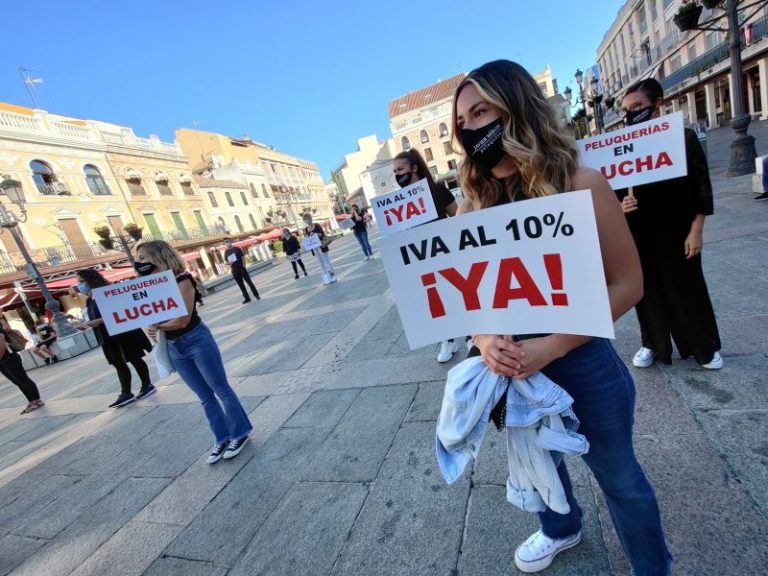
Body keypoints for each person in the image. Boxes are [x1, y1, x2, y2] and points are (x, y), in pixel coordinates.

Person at [452, 60, 670, 575]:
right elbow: (470, 304)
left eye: (481, 111)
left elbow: (628, 285)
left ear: (516, 106)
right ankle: (560, 527)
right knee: (537, 462)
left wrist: (550, 346)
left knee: (620, 480)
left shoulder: (582, 184)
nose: (471, 128)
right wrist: (484, 339)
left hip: (583, 364)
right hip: (508, 371)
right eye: (463, 122)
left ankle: (652, 567)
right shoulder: (468, 212)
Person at [616, 78, 722, 370]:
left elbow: (701, 186)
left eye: (637, 106)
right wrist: (620, 205)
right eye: (627, 109)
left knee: (688, 287)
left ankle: (704, 347)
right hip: (638, 230)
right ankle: (652, 343)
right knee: (646, 290)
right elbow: (613, 190)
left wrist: (696, 230)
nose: (631, 113)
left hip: (677, 228)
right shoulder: (623, 145)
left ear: (658, 103)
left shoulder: (683, 138)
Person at [136, 240, 252, 464]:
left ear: (158, 256)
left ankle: (240, 433)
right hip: (173, 346)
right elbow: (152, 317)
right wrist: (151, 326)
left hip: (195, 339)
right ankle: (222, 437)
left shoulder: (182, 280)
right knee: (204, 396)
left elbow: (181, 320)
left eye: (143, 258)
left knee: (221, 389)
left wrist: (158, 325)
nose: (138, 263)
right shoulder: (150, 288)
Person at [393, 148, 459, 363]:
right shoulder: (399, 201)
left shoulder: (438, 190)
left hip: (446, 252)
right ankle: (447, 339)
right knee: (436, 300)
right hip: (422, 257)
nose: (397, 175)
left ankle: (470, 335)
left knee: (458, 295)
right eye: (395, 171)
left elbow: (459, 219)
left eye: (400, 169)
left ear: (414, 168)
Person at [73, 269, 155, 409]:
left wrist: (98, 321)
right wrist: (85, 325)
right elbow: (94, 319)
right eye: (78, 282)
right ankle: (126, 393)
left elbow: (121, 311)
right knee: (118, 363)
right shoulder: (89, 300)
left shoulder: (107, 293)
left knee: (134, 358)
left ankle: (147, 384)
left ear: (91, 280)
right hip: (107, 337)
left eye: (81, 281)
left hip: (123, 333)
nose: (79, 285)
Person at [0, 318, 44, 414]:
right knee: (18, 382)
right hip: (3, 362)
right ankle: (31, 401)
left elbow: (2, 345)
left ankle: (37, 400)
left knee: (23, 379)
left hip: (9, 358)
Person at [223, 238, 260, 304]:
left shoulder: (237, 249)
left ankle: (256, 295)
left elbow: (243, 257)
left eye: (227, 241)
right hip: (234, 269)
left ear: (230, 241)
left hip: (241, 267)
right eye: (225, 242)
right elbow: (226, 261)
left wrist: (244, 266)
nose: (226, 243)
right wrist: (229, 263)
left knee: (249, 282)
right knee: (241, 285)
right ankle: (247, 298)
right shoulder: (226, 252)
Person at [303, 214, 336, 284]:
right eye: (305, 219)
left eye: (308, 218)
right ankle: (327, 278)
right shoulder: (306, 229)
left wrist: (316, 234)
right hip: (315, 248)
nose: (307, 220)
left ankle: (333, 276)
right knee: (321, 263)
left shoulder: (316, 225)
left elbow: (322, 234)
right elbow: (307, 239)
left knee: (327, 262)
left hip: (321, 245)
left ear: (311, 218)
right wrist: (306, 237)